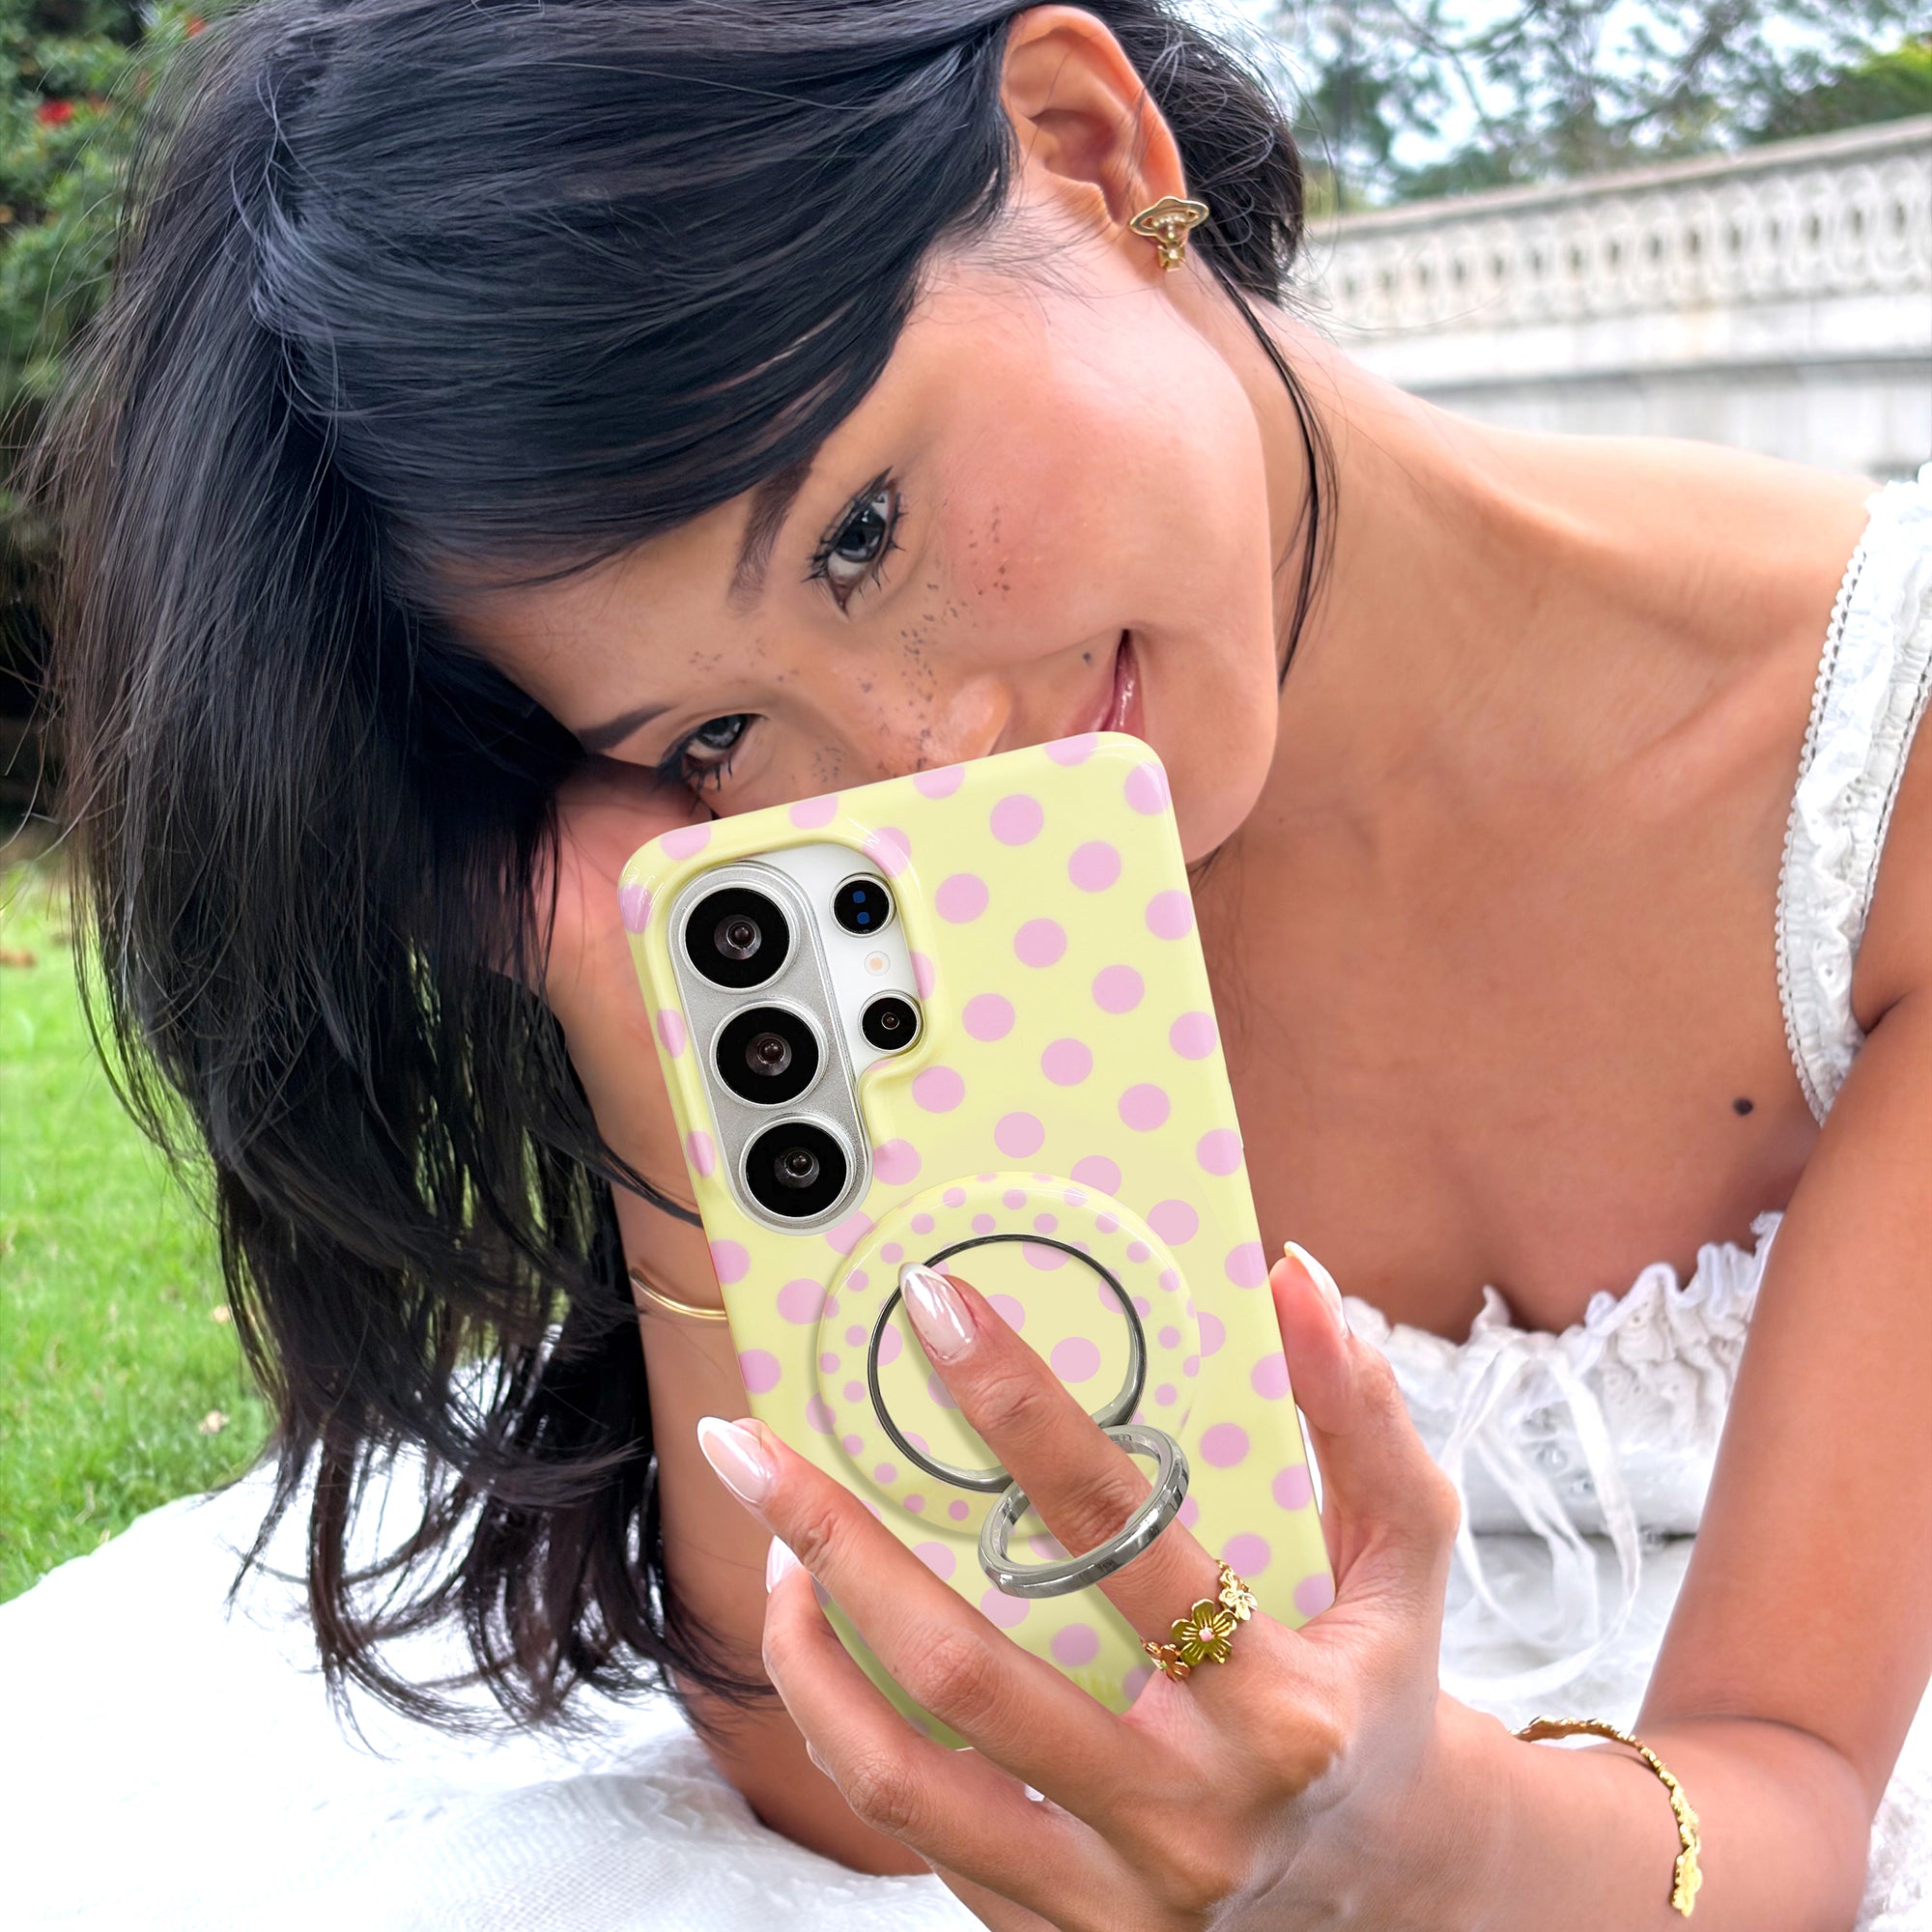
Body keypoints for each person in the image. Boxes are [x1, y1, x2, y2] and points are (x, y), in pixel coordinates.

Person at [35, 0, 1930, 1924]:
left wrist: (1432, 1848)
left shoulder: (1890, 778)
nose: (918, 755)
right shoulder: (878, 913)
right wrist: (656, 1041)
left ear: (1087, 150)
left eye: (860, 532)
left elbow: (1790, 1776)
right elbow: (862, 1779)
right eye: (714, 729)